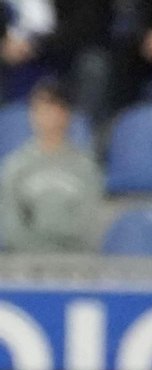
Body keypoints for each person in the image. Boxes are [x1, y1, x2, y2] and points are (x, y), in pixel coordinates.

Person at [0, 78, 102, 253]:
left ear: (66, 113)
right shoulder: (14, 166)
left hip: (76, 265)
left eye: (53, 108)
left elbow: (90, 225)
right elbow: (10, 226)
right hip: (24, 264)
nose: (46, 115)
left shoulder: (87, 168)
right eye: (40, 109)